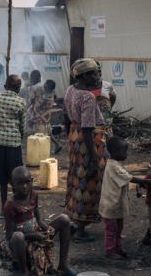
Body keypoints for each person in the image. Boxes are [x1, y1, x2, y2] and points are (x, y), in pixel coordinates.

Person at [3, 166, 76, 276]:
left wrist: (47, 231)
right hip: (20, 242)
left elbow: (39, 220)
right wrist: (32, 236)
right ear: (12, 184)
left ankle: (63, 265)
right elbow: (9, 236)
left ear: (32, 181)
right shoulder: (10, 204)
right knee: (18, 236)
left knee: (64, 219)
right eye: (20, 183)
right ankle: (24, 272)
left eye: (27, 182)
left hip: (35, 234)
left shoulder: (33, 195)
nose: (25, 186)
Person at [63, 58, 106, 242]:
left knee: (75, 179)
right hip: (88, 142)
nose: (98, 77)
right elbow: (89, 130)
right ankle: (81, 229)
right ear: (86, 75)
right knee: (89, 182)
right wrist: (94, 159)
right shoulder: (87, 96)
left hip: (75, 137)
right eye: (95, 73)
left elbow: (68, 118)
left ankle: (73, 221)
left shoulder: (70, 90)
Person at [99, 136, 151, 259]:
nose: (126, 154)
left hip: (116, 203)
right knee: (112, 230)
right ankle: (110, 251)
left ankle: (117, 248)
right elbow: (128, 177)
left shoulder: (116, 163)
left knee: (118, 228)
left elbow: (127, 176)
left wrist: (142, 182)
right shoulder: (113, 166)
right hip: (111, 204)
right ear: (115, 152)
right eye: (124, 151)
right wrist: (148, 182)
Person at [0, 75, 27, 218]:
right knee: (16, 178)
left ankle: (3, 210)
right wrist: (21, 137)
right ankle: (16, 208)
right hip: (13, 143)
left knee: (2, 179)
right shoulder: (21, 102)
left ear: (6, 85)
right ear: (18, 87)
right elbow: (22, 125)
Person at [93, 62, 117, 135]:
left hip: (106, 123)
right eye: (96, 70)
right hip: (92, 125)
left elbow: (113, 97)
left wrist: (107, 108)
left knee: (108, 142)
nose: (99, 72)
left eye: (99, 70)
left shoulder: (107, 85)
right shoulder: (83, 88)